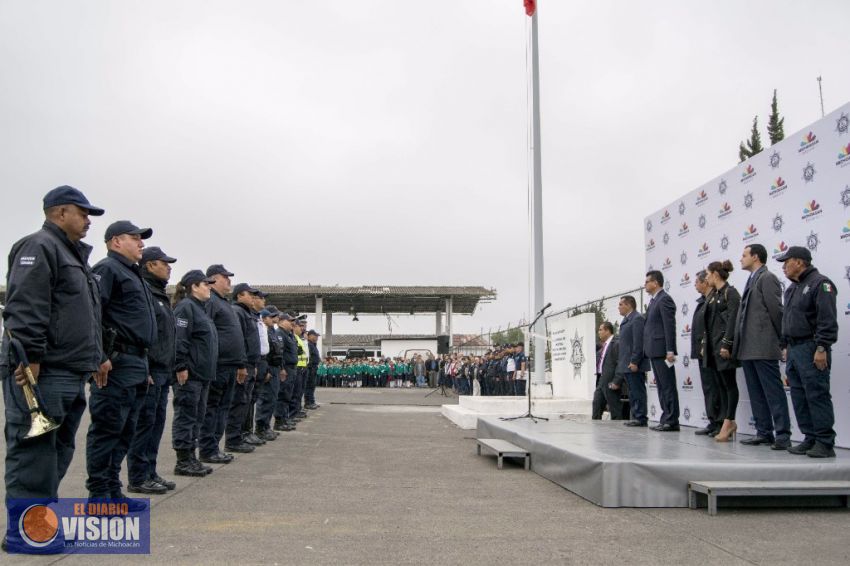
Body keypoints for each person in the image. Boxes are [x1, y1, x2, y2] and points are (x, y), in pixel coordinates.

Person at [2, 187, 105, 553]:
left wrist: (98, 357)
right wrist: (28, 358)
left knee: (56, 453)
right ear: (60, 213)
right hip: (44, 371)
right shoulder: (39, 247)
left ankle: (39, 522)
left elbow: (86, 316)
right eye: (83, 212)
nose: (89, 220)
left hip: (70, 370)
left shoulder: (73, 256)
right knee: (33, 453)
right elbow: (26, 305)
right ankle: (25, 535)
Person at [86, 220, 157, 503]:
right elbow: (92, 312)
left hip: (136, 363)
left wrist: (145, 366)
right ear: (116, 241)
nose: (141, 243)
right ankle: (100, 494)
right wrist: (99, 356)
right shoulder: (108, 269)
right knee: (107, 429)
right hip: (116, 363)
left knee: (126, 430)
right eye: (135, 238)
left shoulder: (134, 274)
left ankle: (113, 490)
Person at [776, 246, 839, 458]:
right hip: (794, 349)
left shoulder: (820, 284)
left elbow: (827, 319)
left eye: (787, 262)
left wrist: (822, 347)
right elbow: (787, 319)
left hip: (812, 347)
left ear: (800, 262)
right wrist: (785, 346)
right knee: (799, 395)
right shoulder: (792, 288)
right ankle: (810, 437)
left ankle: (824, 442)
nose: (784, 266)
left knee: (816, 394)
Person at [127, 246, 178, 494]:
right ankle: (138, 476)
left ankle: (150, 471)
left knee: (156, 424)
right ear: (149, 265)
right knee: (144, 424)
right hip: (149, 369)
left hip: (162, 371)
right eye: (164, 263)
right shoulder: (144, 290)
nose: (169, 267)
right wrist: (145, 364)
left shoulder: (160, 294)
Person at [734, 244, 790, 450]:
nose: (741, 258)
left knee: (773, 392)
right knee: (756, 393)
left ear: (756, 257)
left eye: (744, 254)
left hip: (764, 346)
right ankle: (764, 432)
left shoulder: (767, 278)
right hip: (748, 348)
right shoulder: (751, 279)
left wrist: (782, 340)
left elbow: (776, 312)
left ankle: (783, 435)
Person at [171, 270, 219, 477]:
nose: (209, 287)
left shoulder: (201, 309)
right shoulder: (186, 308)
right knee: (186, 417)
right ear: (194, 287)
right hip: (190, 375)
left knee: (197, 418)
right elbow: (180, 340)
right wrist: (180, 366)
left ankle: (191, 457)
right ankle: (183, 460)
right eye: (205, 284)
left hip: (202, 375)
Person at [198, 264, 244, 465]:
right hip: (218, 365)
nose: (229, 281)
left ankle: (214, 446)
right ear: (214, 279)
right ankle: (207, 448)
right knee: (212, 408)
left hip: (230, 365)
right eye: (226, 277)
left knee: (222, 408)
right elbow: (206, 332)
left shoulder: (223, 303)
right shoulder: (211, 301)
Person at [702, 260, 741, 442]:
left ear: (716, 274)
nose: (706, 277)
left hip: (724, 348)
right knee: (720, 386)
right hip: (713, 348)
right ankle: (725, 420)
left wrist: (727, 344)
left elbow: (733, 320)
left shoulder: (730, 293)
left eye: (708, 274)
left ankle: (729, 421)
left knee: (729, 385)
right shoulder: (713, 295)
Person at [226, 283, 262, 453]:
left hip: (249, 364)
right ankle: (233, 439)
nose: (253, 298)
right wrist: (242, 364)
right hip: (243, 364)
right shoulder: (238, 312)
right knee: (238, 402)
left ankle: (240, 435)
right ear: (240, 295)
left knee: (245, 402)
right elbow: (238, 340)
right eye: (250, 294)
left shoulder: (247, 313)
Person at [643, 270, 679, 431]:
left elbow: (669, 326)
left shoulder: (664, 299)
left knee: (668, 386)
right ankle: (666, 417)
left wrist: (670, 350)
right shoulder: (653, 301)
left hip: (663, 351)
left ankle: (671, 420)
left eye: (647, 282)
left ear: (655, 282)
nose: (645, 285)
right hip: (654, 351)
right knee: (662, 387)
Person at [691, 271, 722, 437]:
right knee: (708, 388)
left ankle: (720, 422)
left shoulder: (715, 299)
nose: (695, 284)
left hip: (712, 351)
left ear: (706, 282)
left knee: (716, 387)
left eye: (697, 281)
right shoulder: (702, 301)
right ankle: (712, 421)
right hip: (702, 352)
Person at [617, 295, 649, 427]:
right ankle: (636, 416)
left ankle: (640, 417)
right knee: (632, 392)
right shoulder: (627, 320)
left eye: (621, 304)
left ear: (629, 305)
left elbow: (638, 343)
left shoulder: (636, 319)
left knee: (637, 391)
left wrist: (635, 361)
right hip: (626, 363)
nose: (618, 307)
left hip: (634, 363)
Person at [592, 322, 622, 420]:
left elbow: (620, 363)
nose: (598, 332)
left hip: (611, 381)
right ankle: (596, 431)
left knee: (615, 410)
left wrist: (617, 381)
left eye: (600, 330)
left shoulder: (616, 343)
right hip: (601, 380)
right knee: (596, 404)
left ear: (607, 331)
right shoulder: (603, 347)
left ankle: (619, 432)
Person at [305, 330, 321, 409]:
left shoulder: (313, 344)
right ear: (310, 336)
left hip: (314, 367)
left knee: (312, 385)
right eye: (315, 336)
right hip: (310, 368)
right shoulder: (308, 344)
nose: (316, 337)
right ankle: (308, 402)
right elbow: (309, 357)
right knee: (309, 385)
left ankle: (311, 401)